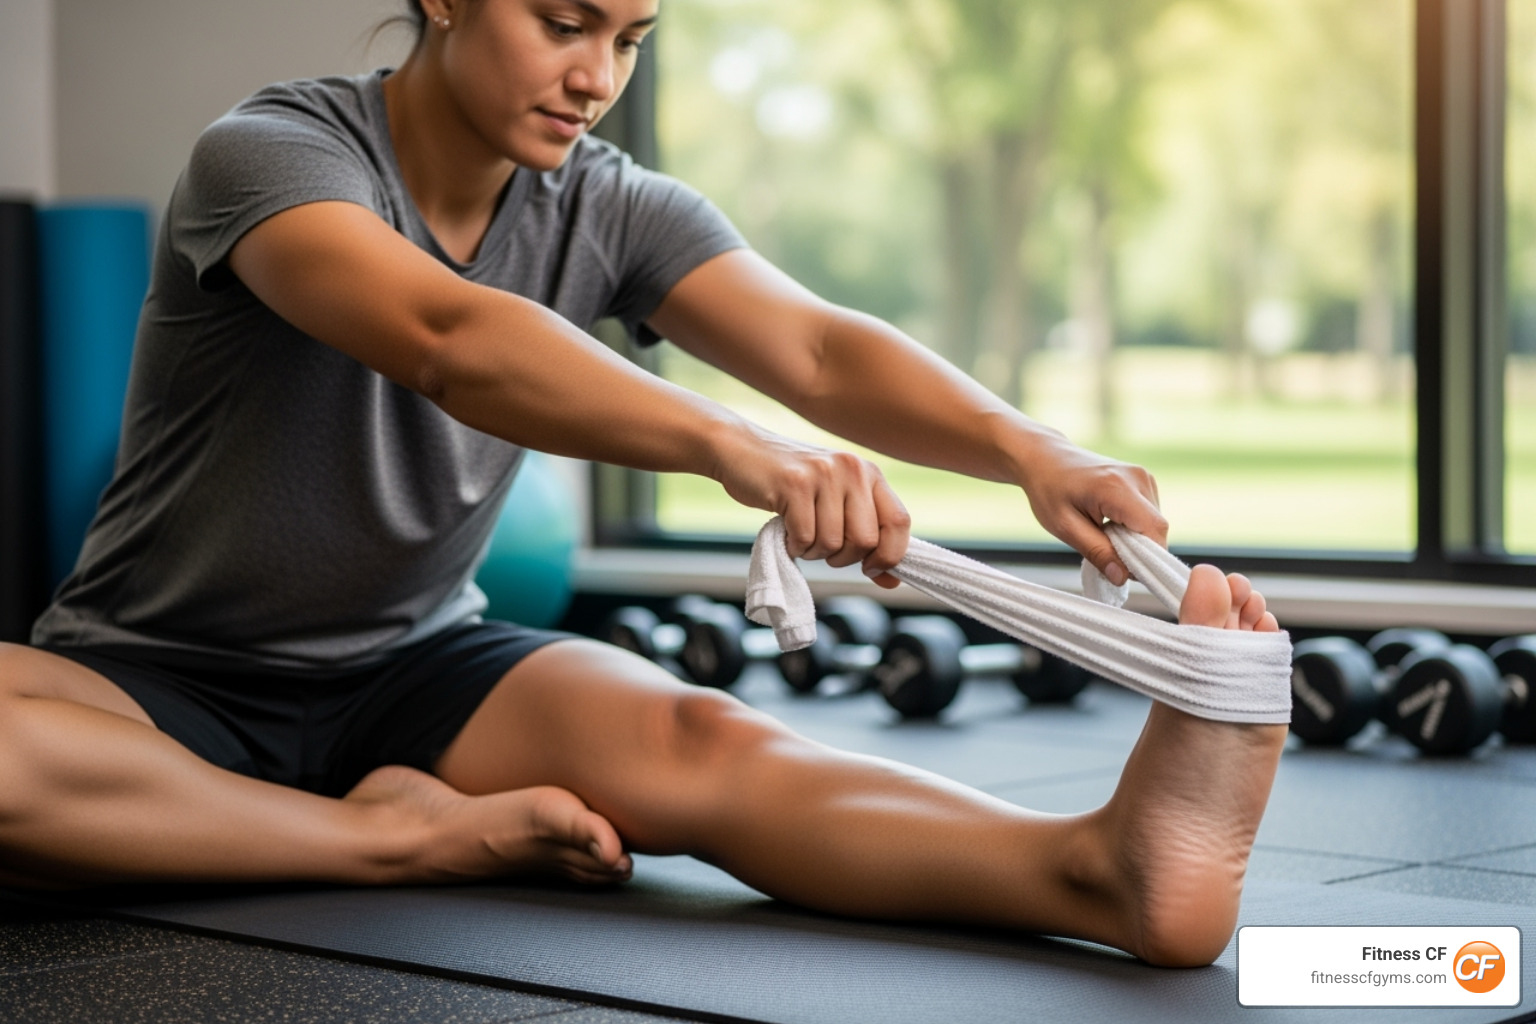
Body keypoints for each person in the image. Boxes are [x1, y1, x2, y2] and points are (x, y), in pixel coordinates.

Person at [0, 0, 1286, 968]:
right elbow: (449, 339)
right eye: (563, 22)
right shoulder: (271, 156)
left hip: (414, 669)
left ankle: (1097, 869)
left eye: (630, 38)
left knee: (703, 736)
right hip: (153, 677)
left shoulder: (604, 206)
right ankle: (397, 835)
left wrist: (1031, 450)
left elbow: (820, 347)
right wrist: (738, 448)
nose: (595, 79)